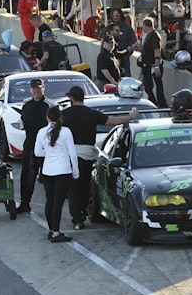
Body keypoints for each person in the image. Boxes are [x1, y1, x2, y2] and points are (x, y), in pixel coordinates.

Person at [62, 86, 140, 229]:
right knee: (85, 186)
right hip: (86, 157)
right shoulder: (91, 114)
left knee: (72, 189)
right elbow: (113, 121)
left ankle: (77, 219)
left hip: (68, 158)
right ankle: (82, 211)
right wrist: (130, 116)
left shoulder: (64, 114)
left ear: (71, 99)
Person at [35, 105, 79, 243]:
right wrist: (75, 171)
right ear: (60, 117)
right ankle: (56, 232)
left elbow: (37, 152)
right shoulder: (66, 132)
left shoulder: (41, 132)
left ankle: (51, 230)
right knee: (58, 204)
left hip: (48, 170)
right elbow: (72, 153)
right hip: (63, 170)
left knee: (50, 201)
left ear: (47, 117)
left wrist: (48, 154)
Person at [16, 78, 50, 214]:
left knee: (49, 177)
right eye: (34, 88)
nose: (36, 91)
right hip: (30, 145)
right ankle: (25, 203)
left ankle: (51, 204)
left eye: (39, 88)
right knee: (27, 175)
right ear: (30, 89)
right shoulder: (27, 105)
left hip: (47, 147)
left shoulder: (49, 106)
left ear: (43, 88)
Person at [139, 18, 166, 107]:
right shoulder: (149, 36)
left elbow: (157, 51)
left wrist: (157, 67)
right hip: (148, 67)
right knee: (148, 87)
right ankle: (154, 104)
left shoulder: (154, 36)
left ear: (145, 26)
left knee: (155, 88)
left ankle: (160, 105)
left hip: (153, 67)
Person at [109, 9, 137, 76]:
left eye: (117, 15)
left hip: (124, 59)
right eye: (113, 16)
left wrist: (129, 50)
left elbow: (133, 43)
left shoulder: (127, 28)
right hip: (112, 59)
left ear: (121, 16)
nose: (115, 17)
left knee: (125, 78)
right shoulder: (108, 28)